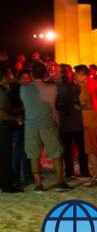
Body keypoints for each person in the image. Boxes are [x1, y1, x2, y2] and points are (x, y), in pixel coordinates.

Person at [20, 62, 71, 192]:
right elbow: (62, 99)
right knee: (56, 153)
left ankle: (38, 185)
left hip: (30, 125)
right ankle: (59, 182)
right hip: (48, 124)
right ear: (45, 73)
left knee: (34, 155)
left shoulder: (23, 89)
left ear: (31, 74)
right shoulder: (53, 87)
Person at [74, 65, 97, 186]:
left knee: (91, 151)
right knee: (96, 150)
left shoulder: (88, 85)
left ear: (82, 74)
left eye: (76, 75)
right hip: (96, 120)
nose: (75, 77)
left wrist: (78, 106)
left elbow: (91, 104)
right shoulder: (94, 83)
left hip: (91, 122)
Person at [56, 64, 88, 179]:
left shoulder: (77, 85)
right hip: (64, 123)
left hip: (77, 122)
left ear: (71, 72)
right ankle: (69, 172)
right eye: (62, 71)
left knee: (82, 149)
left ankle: (84, 171)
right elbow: (55, 103)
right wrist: (60, 105)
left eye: (66, 71)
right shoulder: (57, 86)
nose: (64, 73)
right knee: (67, 150)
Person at [9, 69, 33, 187]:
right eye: (24, 78)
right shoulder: (14, 91)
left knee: (27, 150)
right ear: (19, 78)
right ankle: (17, 178)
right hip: (16, 125)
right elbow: (9, 110)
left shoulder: (30, 89)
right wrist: (23, 108)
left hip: (28, 124)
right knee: (17, 152)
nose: (27, 80)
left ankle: (27, 175)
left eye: (28, 78)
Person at [0, 66, 22, 193]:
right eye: (8, 75)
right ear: (3, 78)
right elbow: (2, 114)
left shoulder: (4, 91)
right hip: (3, 127)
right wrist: (15, 119)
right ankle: (7, 185)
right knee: (5, 156)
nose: (10, 77)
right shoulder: (1, 93)